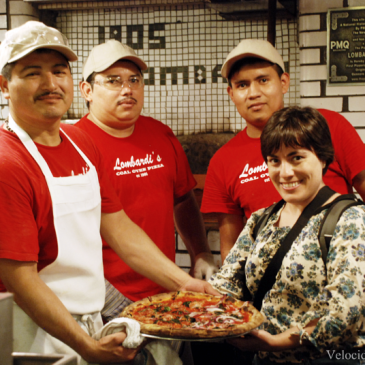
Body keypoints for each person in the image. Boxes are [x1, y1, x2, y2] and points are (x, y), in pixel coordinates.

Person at [0, 21, 217, 365]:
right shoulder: (7, 161)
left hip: (89, 316)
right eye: (32, 73)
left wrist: (182, 282)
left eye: (59, 71)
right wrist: (85, 345)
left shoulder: (80, 143)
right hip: (33, 331)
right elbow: (20, 278)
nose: (51, 83)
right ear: (4, 86)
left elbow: (118, 227)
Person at [209, 106, 365, 364]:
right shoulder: (262, 220)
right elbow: (226, 286)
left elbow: (345, 312)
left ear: (323, 158)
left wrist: (278, 342)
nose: (285, 172)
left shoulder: (350, 219)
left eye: (296, 158)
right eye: (275, 160)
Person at [76, 40, 217, 306]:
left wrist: (201, 252)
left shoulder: (160, 134)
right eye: (113, 81)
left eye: (135, 80)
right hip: (104, 295)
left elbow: (183, 199)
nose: (127, 89)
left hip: (167, 288)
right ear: (87, 90)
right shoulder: (75, 144)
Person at [201, 39, 365, 262]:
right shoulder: (223, 160)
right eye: (242, 85)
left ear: (284, 82)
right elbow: (231, 245)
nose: (253, 93)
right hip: (267, 286)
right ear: (231, 94)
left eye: (263, 80)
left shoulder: (327, 126)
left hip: (338, 271)